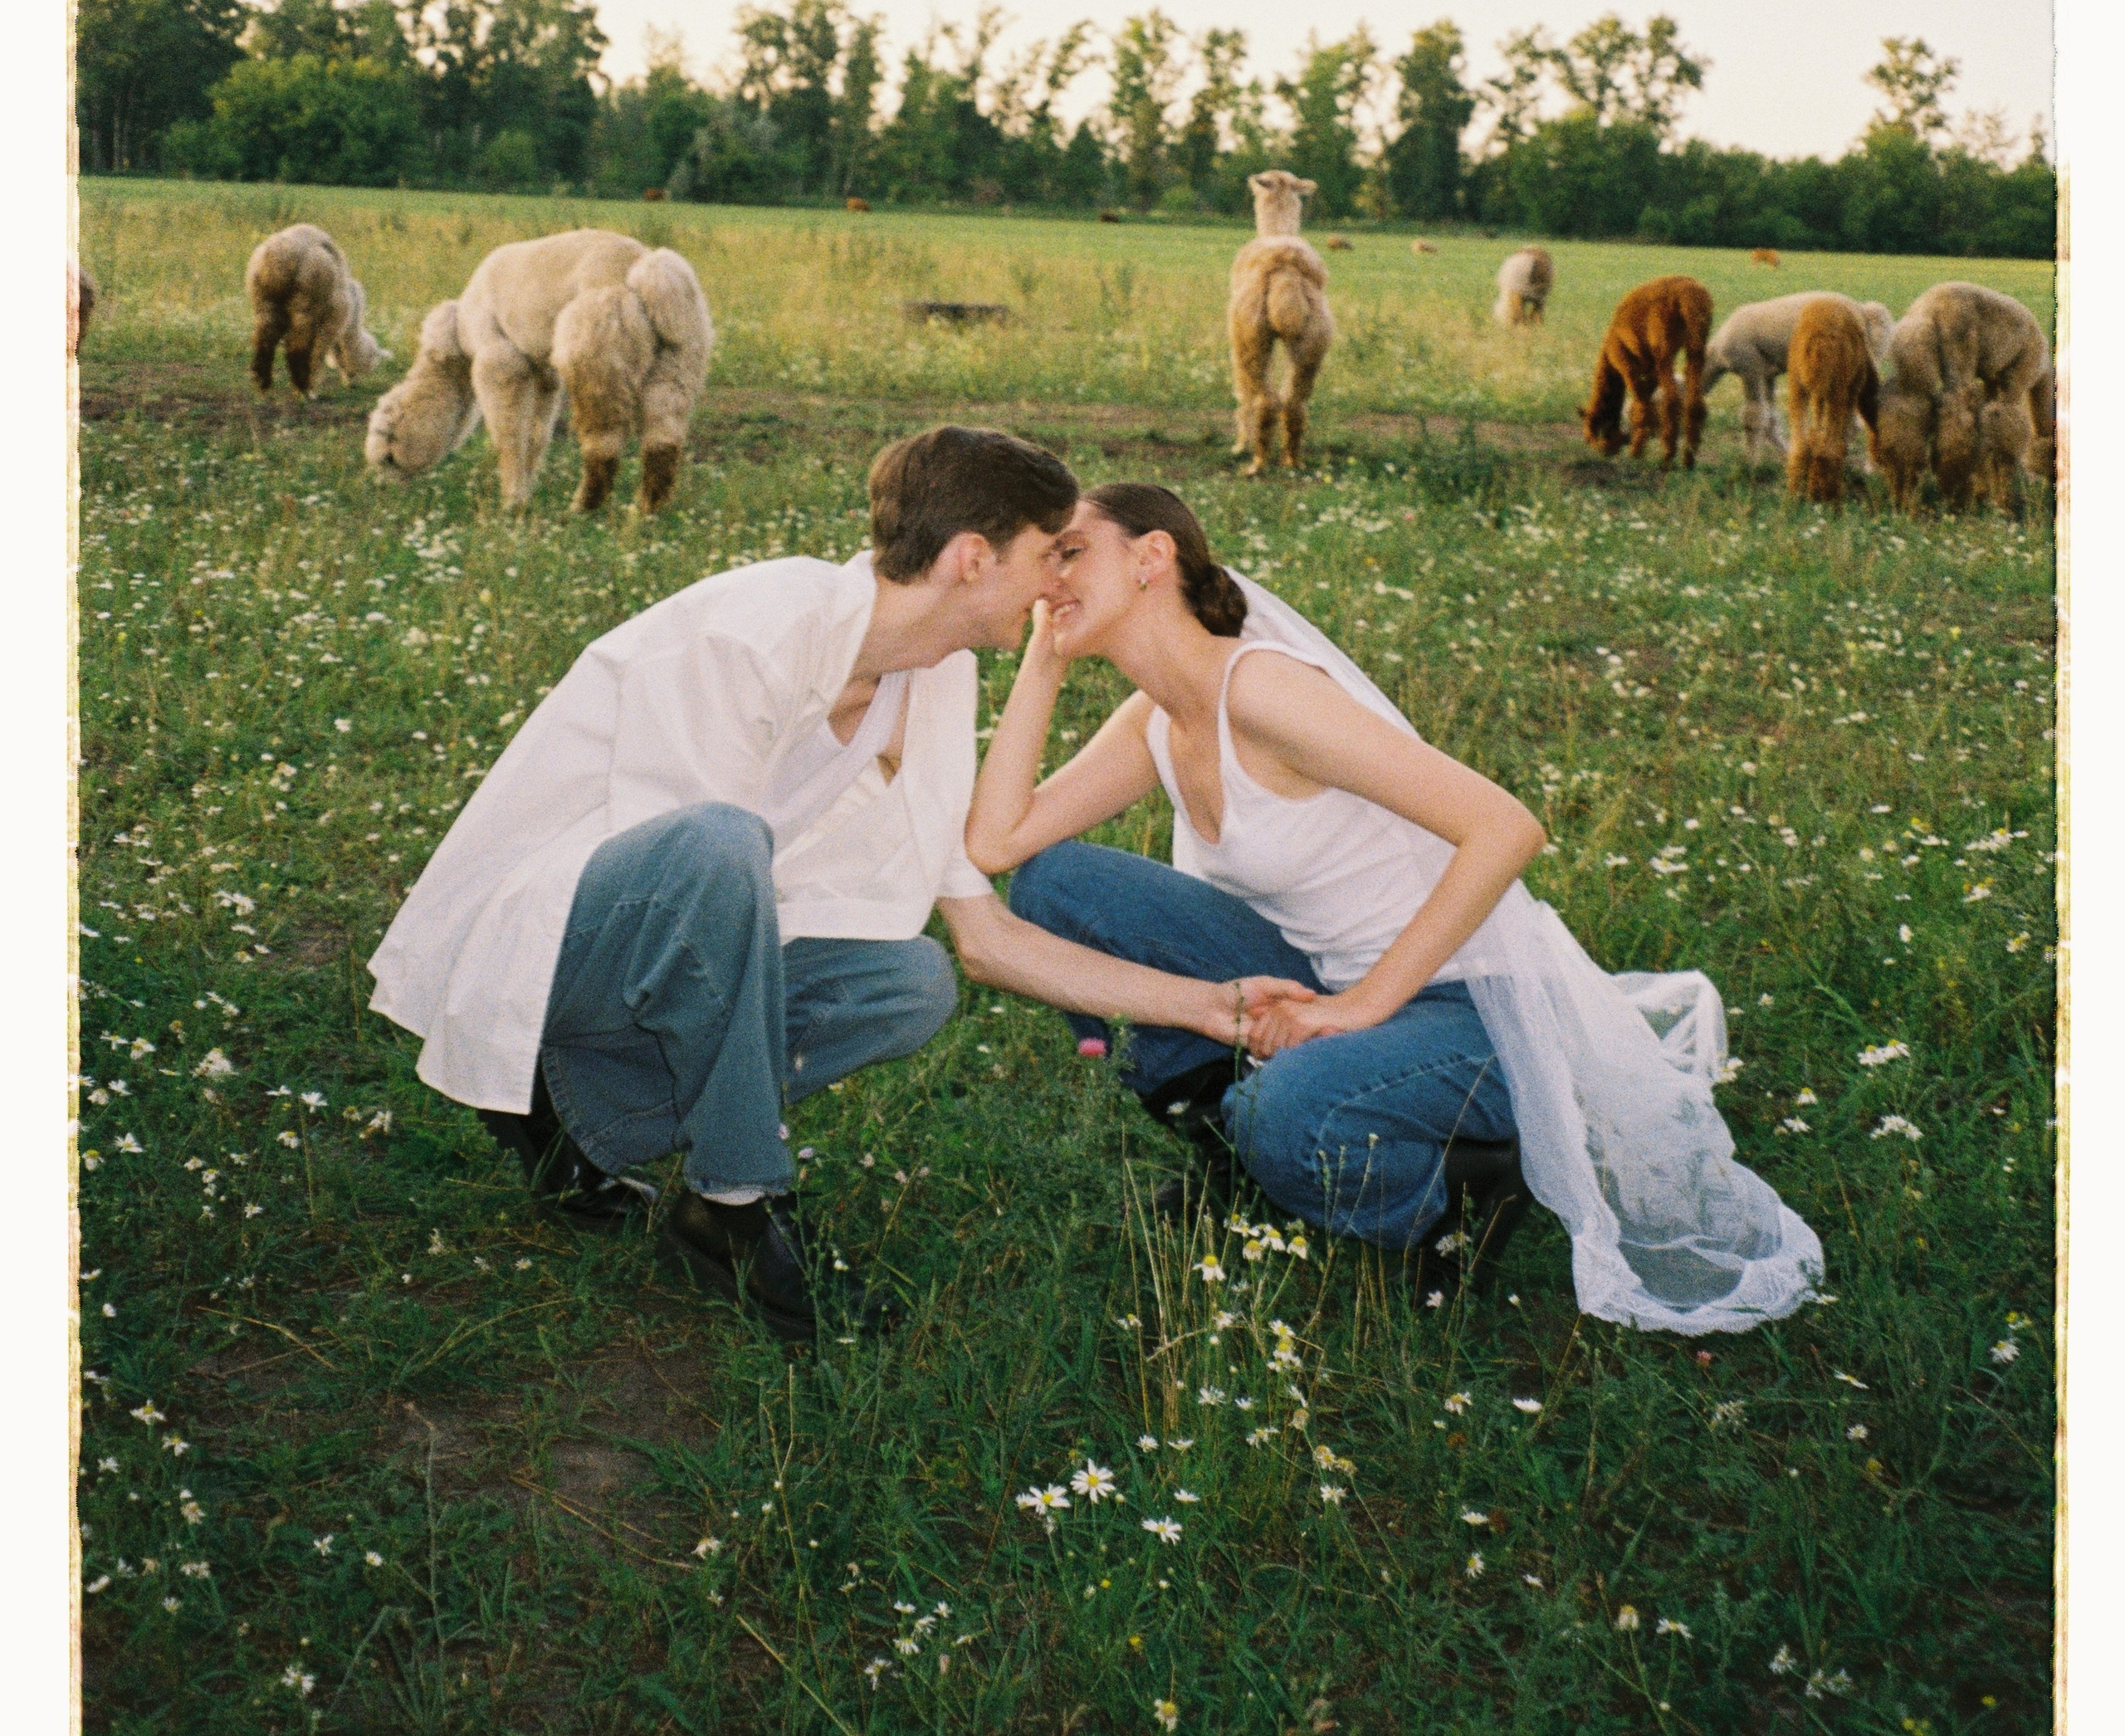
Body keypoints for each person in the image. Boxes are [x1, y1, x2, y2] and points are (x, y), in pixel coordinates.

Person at [959, 485, 1824, 1337]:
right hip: (1316, 969)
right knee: (1051, 886)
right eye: (1046, 562)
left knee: (1289, 1115)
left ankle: (1452, 1191)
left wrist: (1361, 1007)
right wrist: (1044, 656)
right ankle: (1235, 1154)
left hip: (1468, 1004)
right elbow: (998, 844)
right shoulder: (1157, 714)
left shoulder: (1262, 692)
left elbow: (1504, 826)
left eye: (1071, 552)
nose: (1049, 576)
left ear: (1153, 557)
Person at [367, 425, 1091, 1347]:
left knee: (910, 983)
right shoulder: (759, 626)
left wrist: (1224, 1009)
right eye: (1048, 555)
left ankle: (577, 1114)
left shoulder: (932, 674)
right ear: (971, 557)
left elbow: (980, 934)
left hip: (667, 944)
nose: (1058, 582)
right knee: (717, 844)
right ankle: (735, 1207)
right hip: (550, 935)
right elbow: (685, 876)